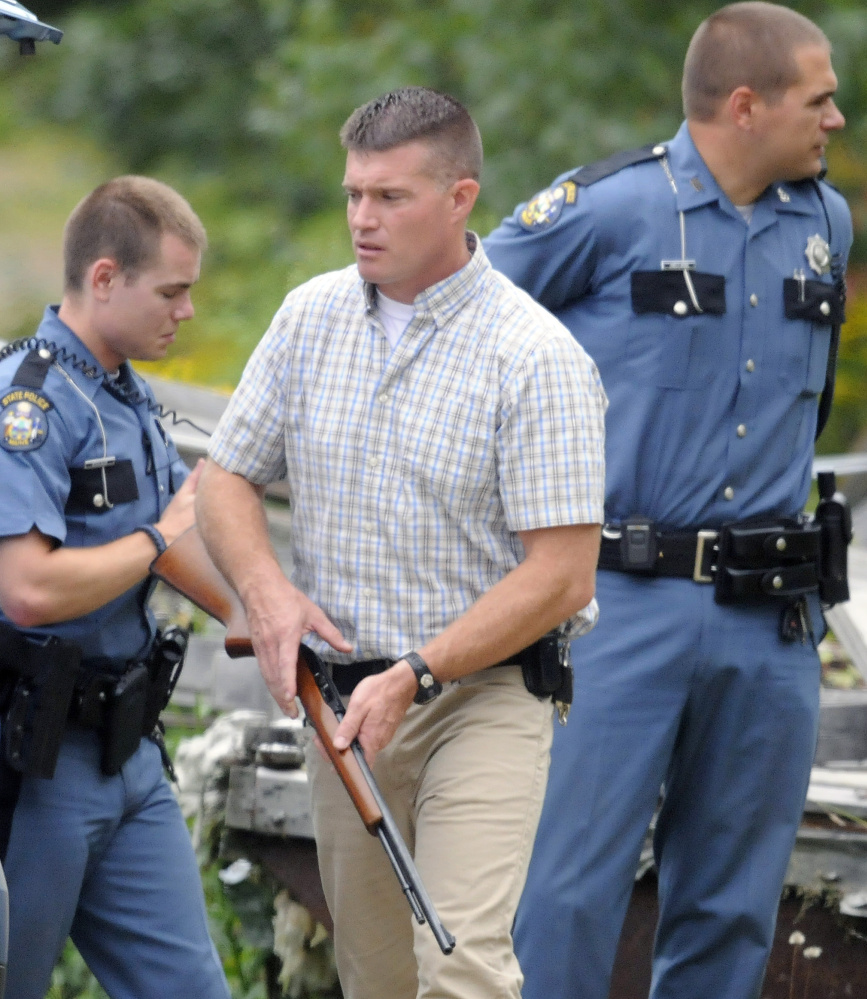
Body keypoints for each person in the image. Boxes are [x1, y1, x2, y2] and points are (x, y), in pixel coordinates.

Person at [195, 86, 607, 999]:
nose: (361, 219)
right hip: (342, 709)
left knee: (464, 970)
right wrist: (266, 592)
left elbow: (563, 573)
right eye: (352, 194)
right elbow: (223, 477)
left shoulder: (535, 357)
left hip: (483, 698)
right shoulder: (308, 318)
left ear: (459, 198)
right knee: (373, 977)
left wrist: (418, 671)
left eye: (390, 197)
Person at [483, 4, 852, 998]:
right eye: (820, 100)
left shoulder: (824, 221)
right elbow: (458, 324)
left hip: (770, 621)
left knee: (732, 905)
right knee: (567, 894)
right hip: (618, 608)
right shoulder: (607, 213)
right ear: (746, 106)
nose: (837, 121)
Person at [0, 176, 230, 999]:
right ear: (104, 278)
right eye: (171, 290)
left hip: (128, 756)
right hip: (37, 766)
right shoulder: (27, 403)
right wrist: (159, 535)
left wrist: (264, 618)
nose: (187, 311)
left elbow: (172, 553)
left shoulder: (126, 395)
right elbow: (27, 589)